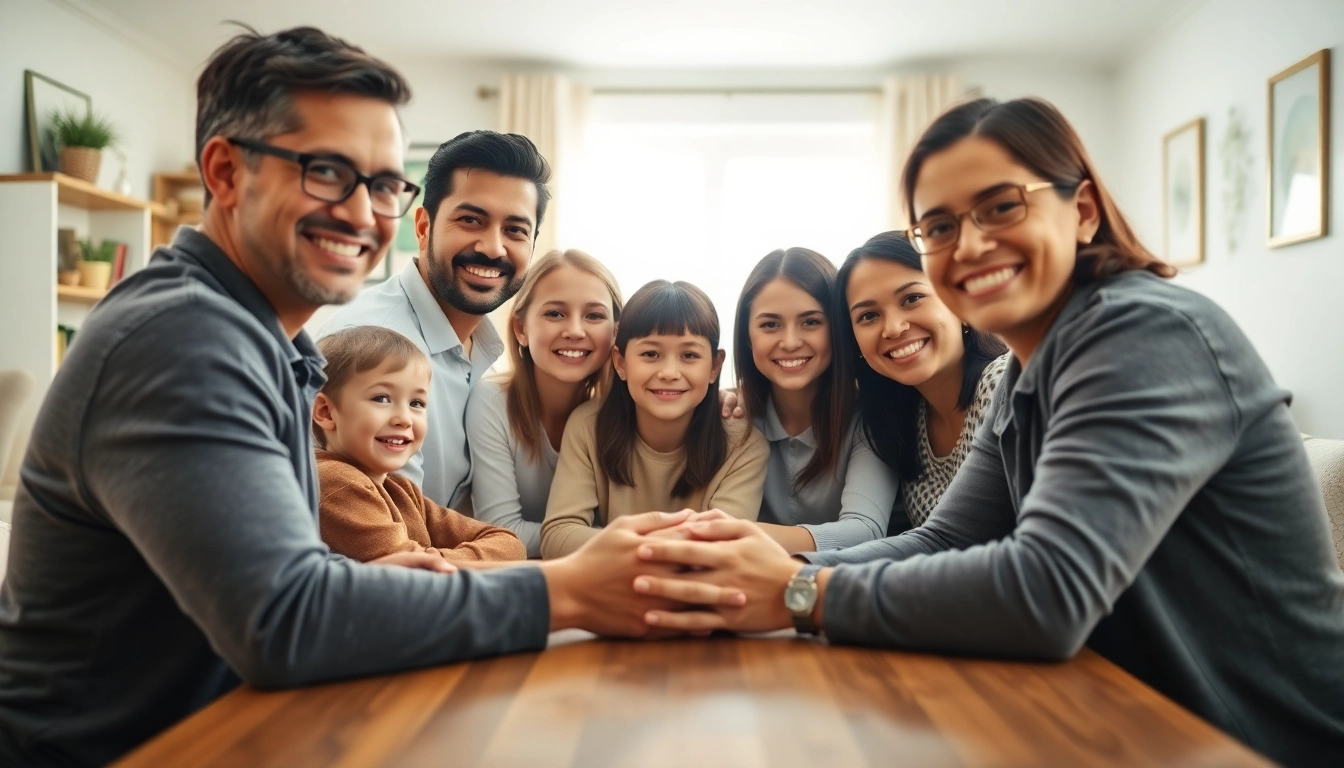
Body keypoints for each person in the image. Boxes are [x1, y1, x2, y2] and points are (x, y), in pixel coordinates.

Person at [0, 27, 738, 767]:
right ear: (225, 172)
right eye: (327, 172)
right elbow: (285, 620)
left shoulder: (265, 340)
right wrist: (570, 590)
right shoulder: (182, 339)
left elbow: (302, 580)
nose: (363, 214)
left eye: (384, 184)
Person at [630, 97, 1344, 765]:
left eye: (1001, 207)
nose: (968, 245)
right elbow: (941, 539)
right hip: (1127, 724)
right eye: (938, 226)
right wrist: (752, 575)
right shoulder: (1028, 373)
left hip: (1263, 742)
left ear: (1083, 211)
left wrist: (797, 594)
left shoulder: (1143, 332)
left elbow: (1048, 590)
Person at [318, 129, 550, 509]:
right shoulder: (372, 343)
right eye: (471, 220)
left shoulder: (483, 349)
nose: (493, 247)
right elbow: (392, 541)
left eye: (515, 230)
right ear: (423, 227)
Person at [541, 280, 770, 558]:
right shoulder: (588, 425)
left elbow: (720, 549)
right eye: (651, 354)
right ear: (621, 362)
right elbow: (559, 536)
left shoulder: (743, 444)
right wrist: (670, 544)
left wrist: (619, 545)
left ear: (714, 366)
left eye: (689, 355)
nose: (669, 372)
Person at [834, 232, 1008, 531]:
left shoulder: (1003, 384)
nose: (893, 328)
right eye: (868, 316)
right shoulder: (901, 424)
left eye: (912, 299)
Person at [732, 248, 897, 552]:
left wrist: (730, 534)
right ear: (747, 336)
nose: (791, 342)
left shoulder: (869, 418)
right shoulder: (732, 417)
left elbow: (866, 531)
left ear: (838, 330)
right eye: (770, 324)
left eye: (810, 322)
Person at [314, 326, 525, 563]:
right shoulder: (334, 483)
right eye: (381, 398)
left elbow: (509, 543)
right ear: (326, 412)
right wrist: (449, 561)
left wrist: (437, 559)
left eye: (417, 403)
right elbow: (413, 573)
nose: (404, 419)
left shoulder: (401, 490)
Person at [466, 249, 623, 557]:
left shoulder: (619, 412)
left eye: (594, 315)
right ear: (521, 329)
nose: (575, 331)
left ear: (615, 332)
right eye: (555, 313)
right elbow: (502, 531)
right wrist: (620, 541)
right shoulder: (491, 402)